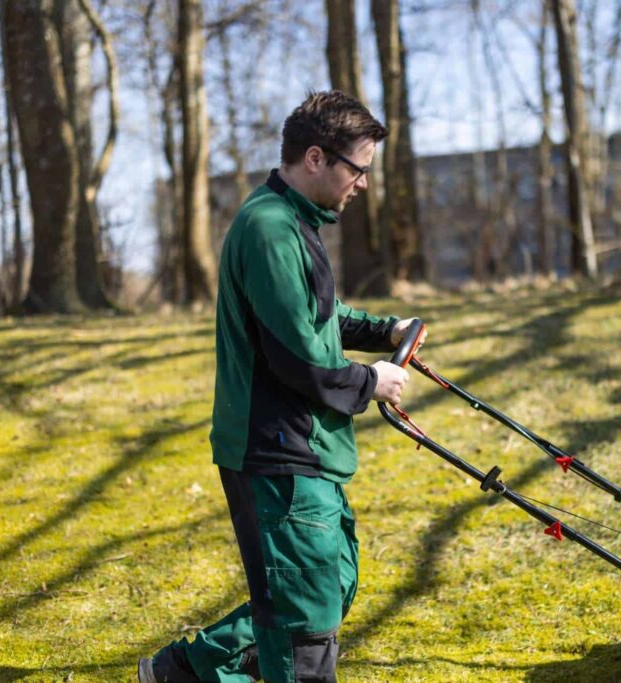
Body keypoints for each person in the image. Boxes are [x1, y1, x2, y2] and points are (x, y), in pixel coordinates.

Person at [138, 90, 420, 683]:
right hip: (275, 450)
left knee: (329, 582)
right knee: (304, 622)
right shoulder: (269, 228)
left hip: (301, 446)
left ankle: (185, 672)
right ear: (316, 158)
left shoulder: (294, 222)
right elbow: (299, 358)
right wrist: (371, 380)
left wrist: (384, 331)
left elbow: (315, 315)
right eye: (358, 169)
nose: (363, 183)